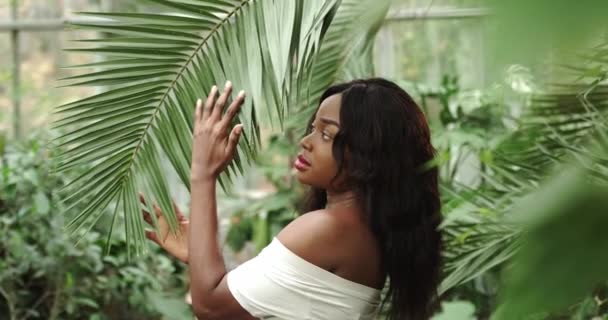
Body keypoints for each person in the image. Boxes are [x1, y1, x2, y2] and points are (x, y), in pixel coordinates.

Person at [140, 78, 443, 320]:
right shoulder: (363, 229)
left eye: (326, 135)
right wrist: (199, 253)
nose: (306, 142)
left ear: (369, 157)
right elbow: (246, 309)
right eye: (314, 128)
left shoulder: (329, 228)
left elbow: (210, 308)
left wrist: (203, 174)